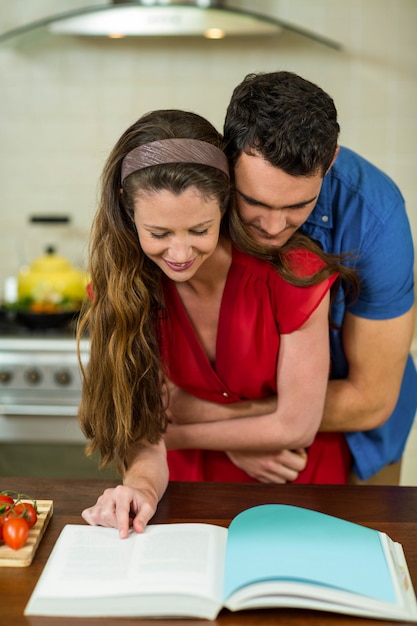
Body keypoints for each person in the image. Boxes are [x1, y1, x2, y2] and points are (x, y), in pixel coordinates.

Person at [78, 109, 357, 536]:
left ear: (225, 203)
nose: (179, 252)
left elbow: (296, 424)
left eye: (199, 229)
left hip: (294, 479)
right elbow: (144, 433)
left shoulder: (293, 273)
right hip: (183, 487)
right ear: (126, 208)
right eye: (159, 233)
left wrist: (176, 431)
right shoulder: (120, 290)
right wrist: (139, 489)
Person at [212, 70, 416, 484]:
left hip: (353, 436)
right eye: (253, 202)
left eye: (297, 205)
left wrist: (230, 429)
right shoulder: (201, 186)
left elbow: (371, 398)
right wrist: (231, 436)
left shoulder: (376, 217)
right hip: (218, 438)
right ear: (226, 155)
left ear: (331, 161)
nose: (271, 226)